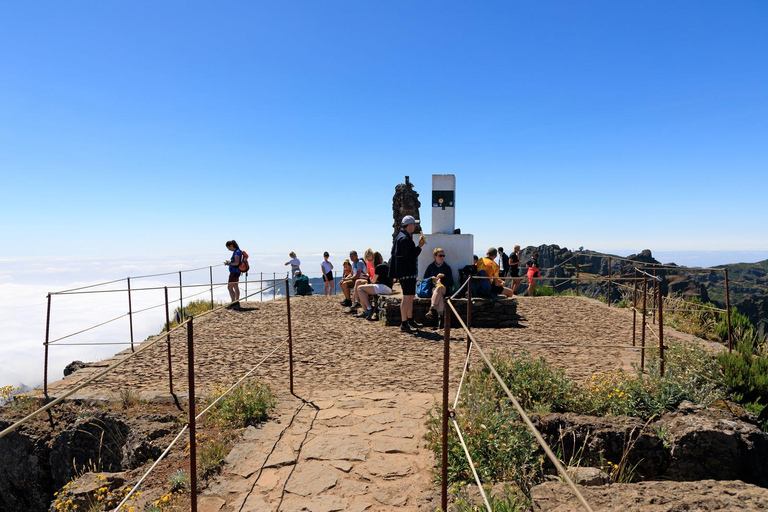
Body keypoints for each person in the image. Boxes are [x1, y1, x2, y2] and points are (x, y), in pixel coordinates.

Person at [390, 215, 425, 333]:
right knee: (406, 297)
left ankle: (409, 320)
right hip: (406, 272)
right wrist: (419, 247)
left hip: (406, 272)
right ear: (409, 225)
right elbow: (409, 256)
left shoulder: (402, 237)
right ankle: (404, 322)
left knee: (410, 296)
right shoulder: (404, 239)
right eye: (413, 224)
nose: (415, 226)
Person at [352, 252, 392, 320]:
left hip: (383, 287)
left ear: (374, 259)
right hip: (388, 287)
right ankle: (366, 310)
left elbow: (373, 281)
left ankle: (369, 308)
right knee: (362, 290)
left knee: (360, 289)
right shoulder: (387, 265)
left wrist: (369, 278)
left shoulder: (379, 267)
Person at [423, 247, 454, 328]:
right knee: (439, 295)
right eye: (440, 255)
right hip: (433, 288)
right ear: (435, 256)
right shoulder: (430, 267)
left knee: (439, 289)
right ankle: (441, 318)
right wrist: (432, 278)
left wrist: (444, 277)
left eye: (443, 255)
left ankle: (432, 308)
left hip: (444, 287)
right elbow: (425, 279)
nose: (442, 257)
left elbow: (451, 282)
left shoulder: (447, 267)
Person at [224, 240, 242, 307]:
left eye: (228, 248)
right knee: (235, 286)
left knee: (229, 287)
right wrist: (230, 262)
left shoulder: (236, 252)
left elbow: (236, 263)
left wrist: (229, 263)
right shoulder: (238, 251)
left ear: (231, 245)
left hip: (234, 272)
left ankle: (233, 302)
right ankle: (236, 302)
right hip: (237, 272)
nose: (229, 250)